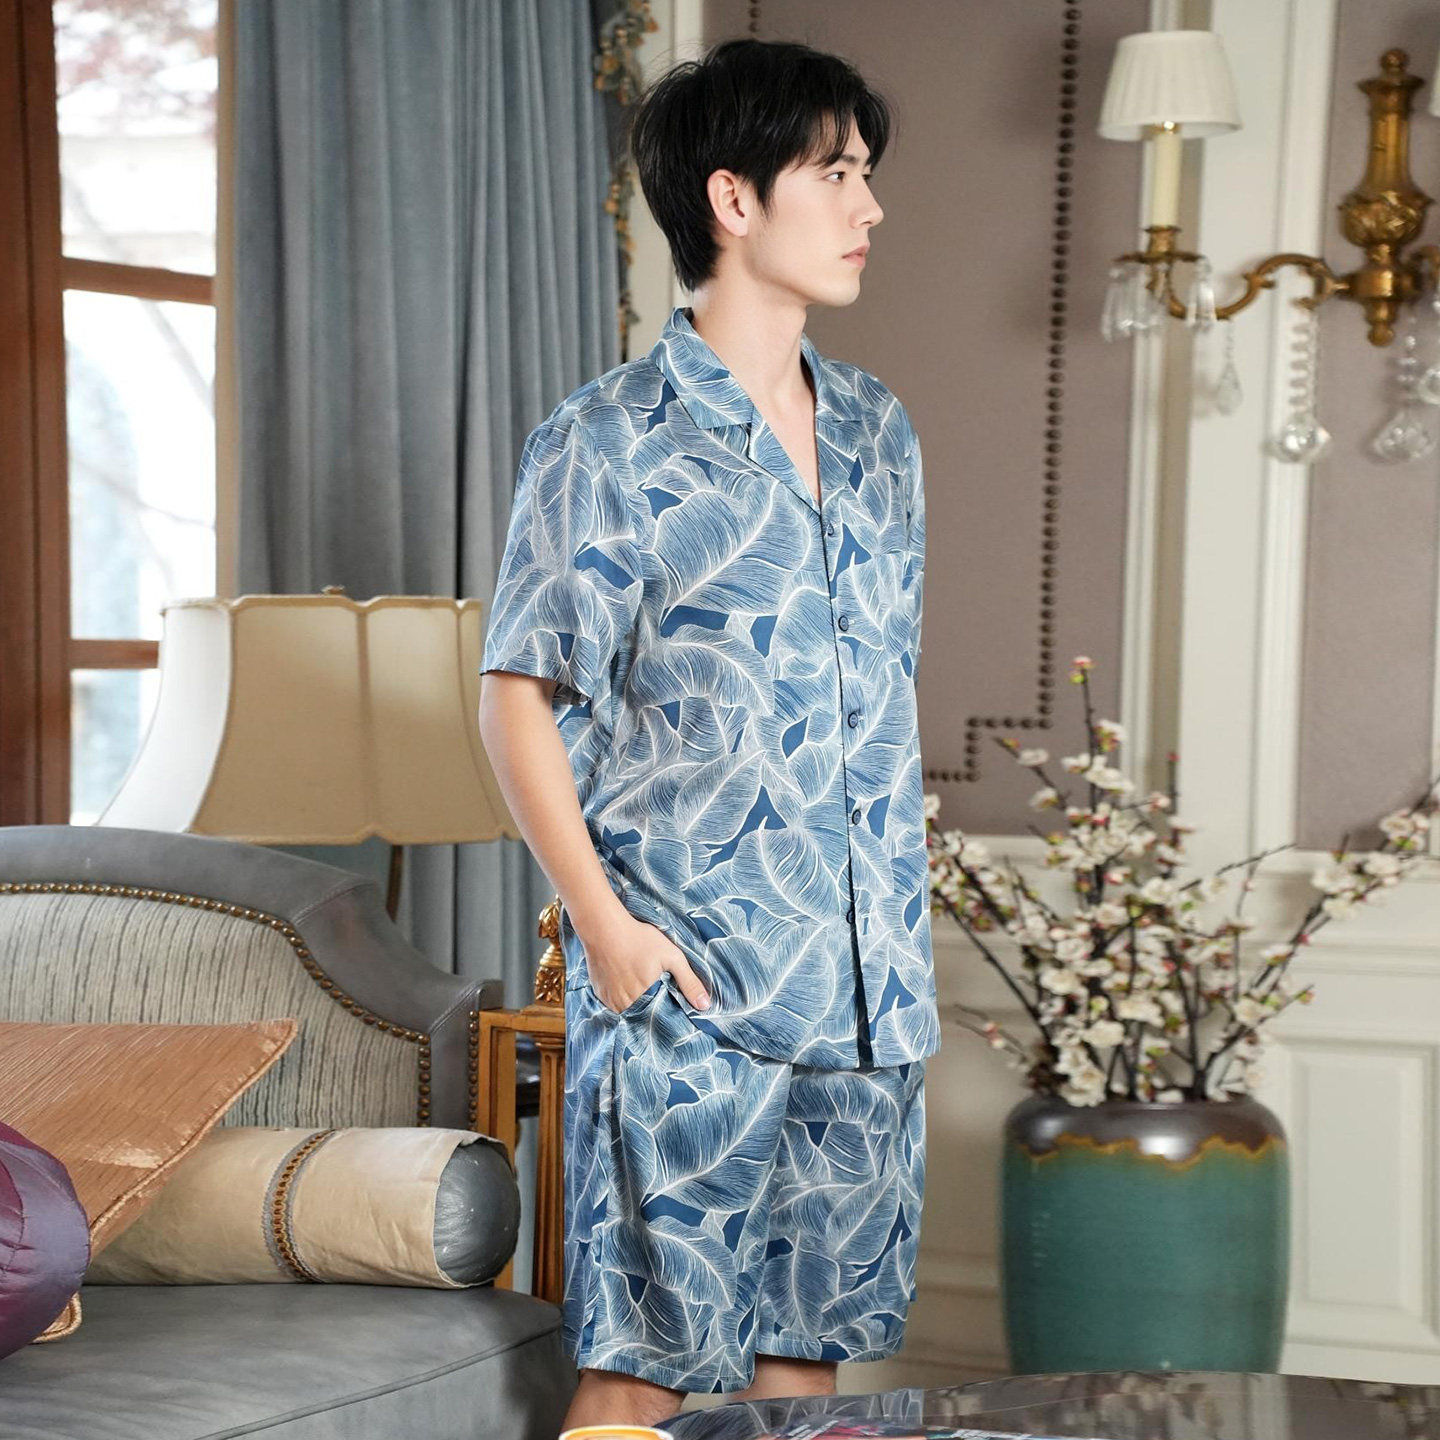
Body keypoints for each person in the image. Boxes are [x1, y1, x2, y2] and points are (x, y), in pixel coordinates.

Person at [477, 35, 938, 1432]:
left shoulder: (878, 434)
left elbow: (876, 697)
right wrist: (608, 935)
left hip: (869, 995)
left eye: (867, 174)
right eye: (836, 174)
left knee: (804, 1376)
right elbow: (517, 695)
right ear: (733, 199)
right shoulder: (608, 440)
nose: (870, 208)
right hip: (690, 984)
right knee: (639, 1373)